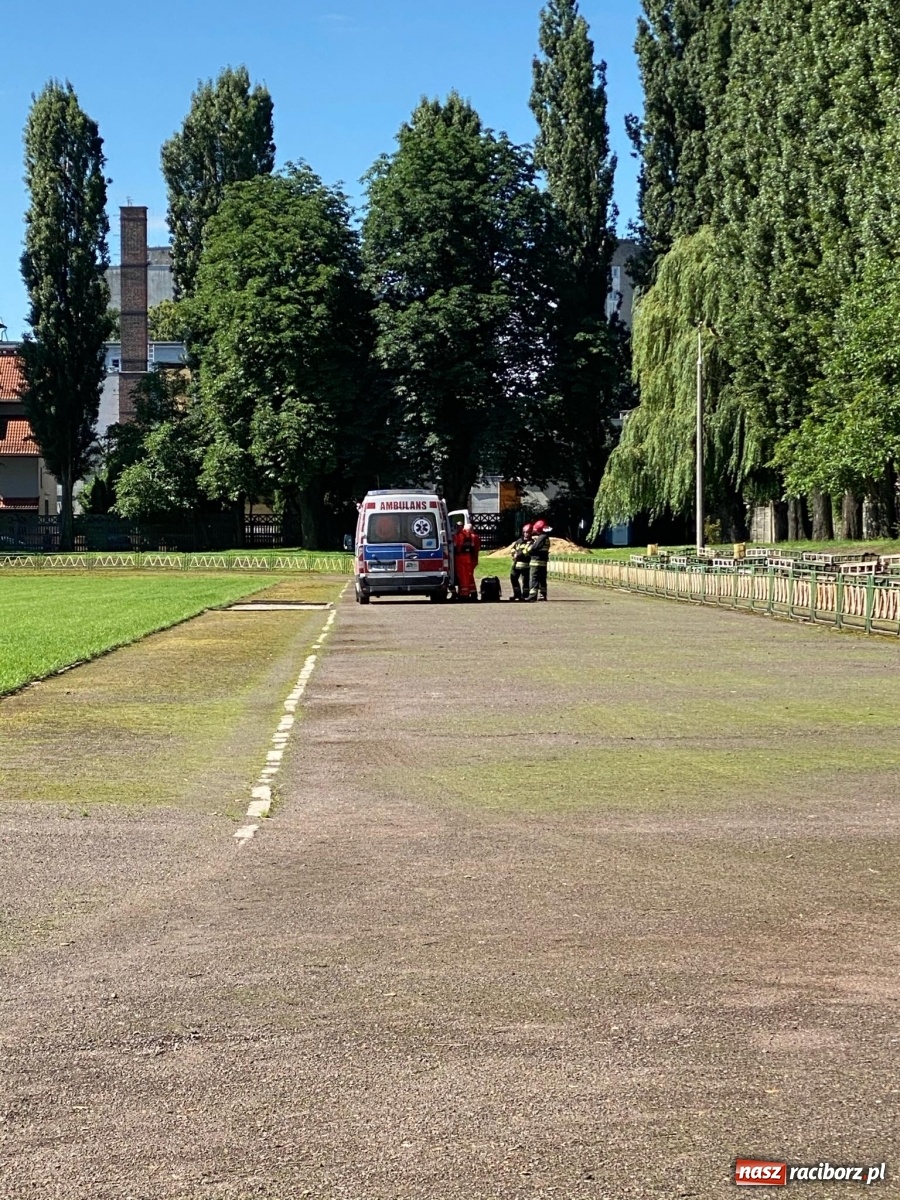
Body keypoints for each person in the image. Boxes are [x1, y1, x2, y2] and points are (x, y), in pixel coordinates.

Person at [453, 521, 481, 601]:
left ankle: (464, 594)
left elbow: (456, 545)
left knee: (463, 577)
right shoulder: (468, 535)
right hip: (468, 558)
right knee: (469, 577)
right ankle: (472, 593)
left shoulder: (459, 535)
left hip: (461, 558)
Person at [525, 519, 552, 601]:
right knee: (542, 579)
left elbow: (534, 548)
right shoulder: (546, 538)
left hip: (536, 562)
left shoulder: (541, 537)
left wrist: (530, 547)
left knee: (534, 579)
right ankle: (543, 595)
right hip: (543, 562)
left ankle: (532, 595)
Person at [509, 523, 533, 600]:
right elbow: (512, 548)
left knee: (525, 581)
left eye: (528, 532)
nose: (526, 534)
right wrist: (514, 553)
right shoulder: (519, 541)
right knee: (513, 578)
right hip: (516, 564)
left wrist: (518, 554)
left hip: (526, 565)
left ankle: (525, 595)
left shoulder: (531, 542)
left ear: (531, 533)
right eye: (525, 532)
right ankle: (517, 594)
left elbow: (526, 551)